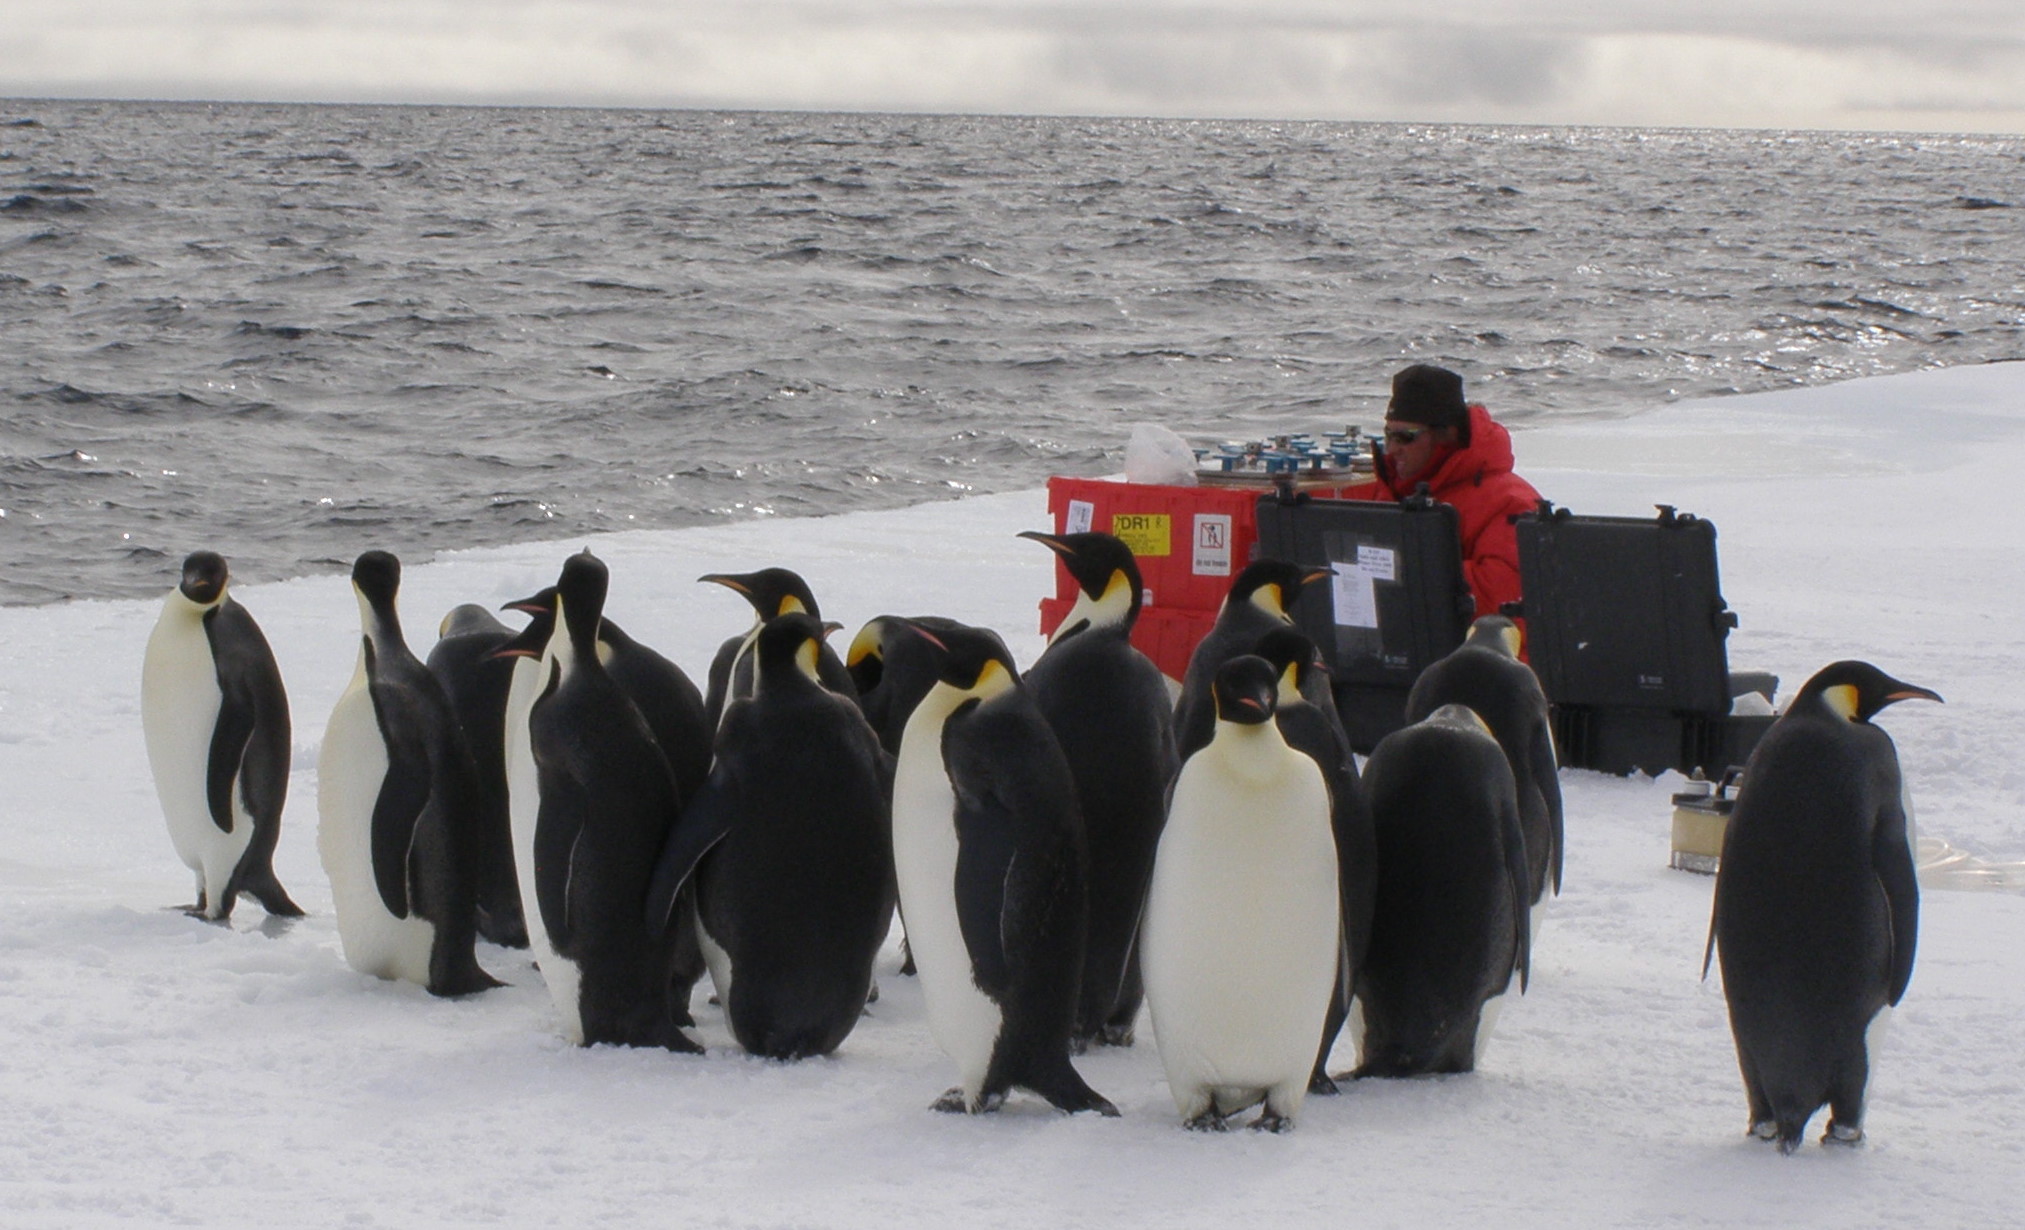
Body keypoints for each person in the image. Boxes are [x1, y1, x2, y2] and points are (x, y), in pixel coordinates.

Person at [1336, 364, 1541, 620]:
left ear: (1446, 435)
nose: (1392, 449)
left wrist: (1399, 569)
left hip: (1484, 653)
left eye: (1405, 437)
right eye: (1388, 435)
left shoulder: (1511, 502)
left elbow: (1503, 595)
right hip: (1402, 641)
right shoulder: (1389, 487)